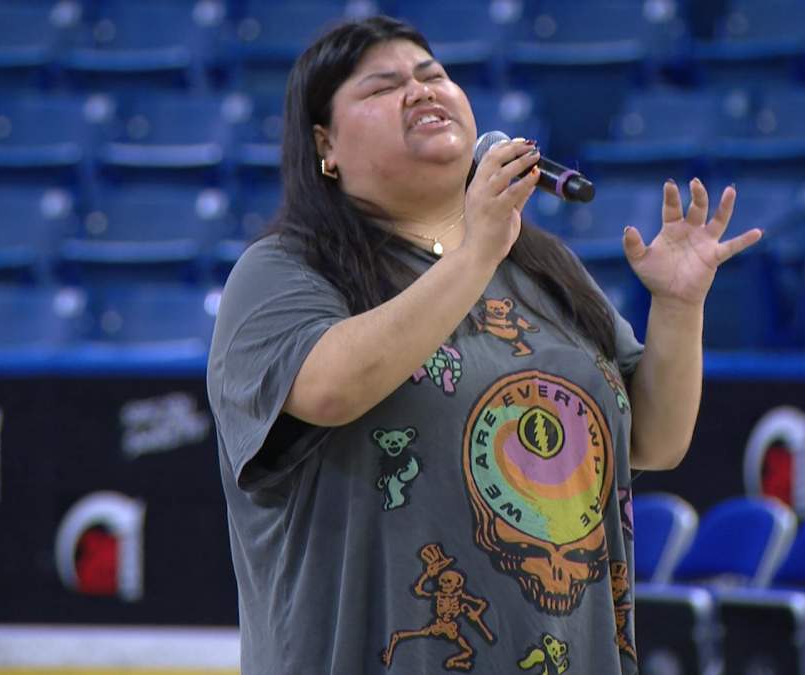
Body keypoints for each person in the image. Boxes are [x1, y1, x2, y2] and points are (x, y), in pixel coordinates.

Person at [206, 15, 761, 675]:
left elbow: (656, 440)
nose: (420, 90)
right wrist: (476, 250)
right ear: (326, 145)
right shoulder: (282, 272)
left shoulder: (542, 266)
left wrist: (677, 307)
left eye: (432, 74)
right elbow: (329, 387)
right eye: (383, 86)